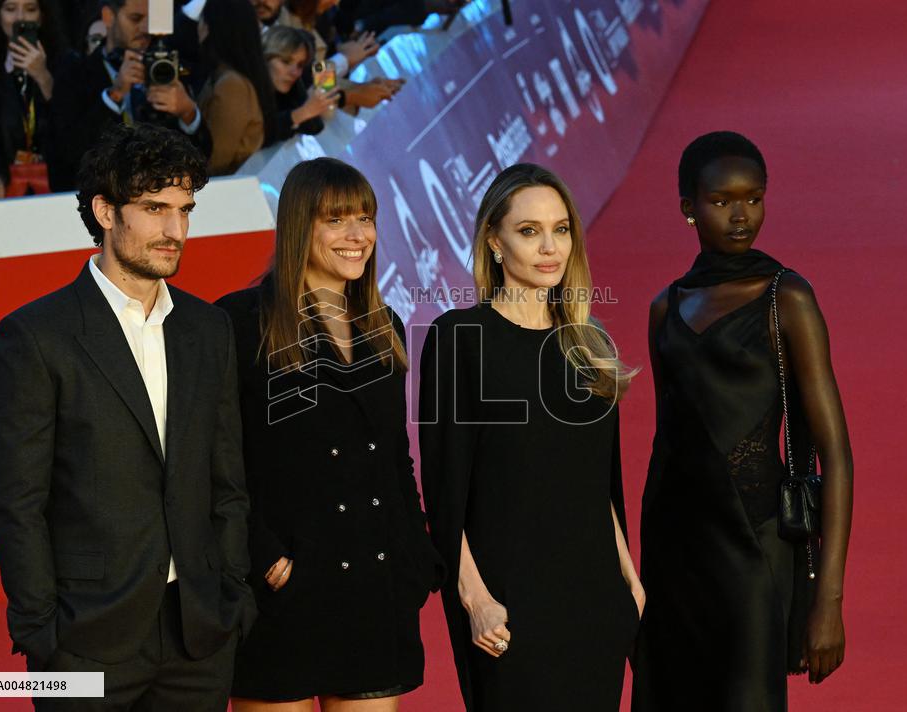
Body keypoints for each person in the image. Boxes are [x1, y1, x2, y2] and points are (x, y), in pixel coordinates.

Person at [0, 123, 256, 710]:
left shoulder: (208, 329)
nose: (175, 230)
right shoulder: (35, 336)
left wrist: (233, 591)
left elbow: (227, 479)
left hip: (199, 636)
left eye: (185, 209)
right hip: (84, 640)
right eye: (155, 208)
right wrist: (42, 631)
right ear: (106, 212)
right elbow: (17, 501)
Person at [631, 131, 853, 711]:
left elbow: (837, 453)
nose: (740, 215)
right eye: (721, 200)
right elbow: (667, 445)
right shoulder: (665, 308)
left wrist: (825, 599)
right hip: (674, 555)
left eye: (753, 199)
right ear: (688, 207)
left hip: (755, 550)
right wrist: (637, 579)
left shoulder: (788, 298)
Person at [216, 157, 444, 711]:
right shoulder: (241, 321)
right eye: (336, 220)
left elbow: (395, 456)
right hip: (285, 593)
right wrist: (264, 557)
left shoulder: (381, 323)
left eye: (365, 218)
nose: (357, 235)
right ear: (299, 226)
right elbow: (215, 458)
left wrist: (415, 554)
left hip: (375, 584)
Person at [419, 163, 644, 711]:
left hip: (594, 601)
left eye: (561, 229)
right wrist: (475, 600)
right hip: (510, 607)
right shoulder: (459, 339)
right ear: (494, 243)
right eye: (529, 231)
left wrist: (630, 584)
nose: (550, 247)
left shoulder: (588, 344)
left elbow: (599, 485)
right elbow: (445, 493)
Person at [47, 0, 210, 192]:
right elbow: (67, 154)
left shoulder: (165, 68)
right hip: (98, 201)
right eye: (136, 18)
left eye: (151, 20)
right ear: (108, 17)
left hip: (160, 198)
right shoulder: (74, 74)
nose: (144, 28)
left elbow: (203, 158)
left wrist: (188, 112)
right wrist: (114, 95)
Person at [0, 0, 66, 198]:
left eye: (30, 9)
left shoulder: (66, 63)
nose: (20, 17)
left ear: (42, 16)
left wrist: (43, 77)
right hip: (9, 190)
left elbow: (73, 127)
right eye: (10, 9)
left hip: (61, 189)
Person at [197, 0, 279, 175]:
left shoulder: (232, 85)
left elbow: (215, 161)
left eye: (202, 20)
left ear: (214, 28)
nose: (198, 27)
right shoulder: (224, 75)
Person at [278, 0, 403, 111]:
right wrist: (345, 59)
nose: (336, 2)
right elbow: (308, 86)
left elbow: (320, 78)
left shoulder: (319, 18)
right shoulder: (283, 26)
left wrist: (362, 88)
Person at [263, 25, 335, 141]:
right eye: (286, 61)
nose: (295, 72)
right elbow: (255, 135)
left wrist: (311, 104)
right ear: (265, 57)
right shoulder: (242, 89)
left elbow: (315, 126)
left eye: (300, 65)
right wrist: (301, 113)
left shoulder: (288, 88)